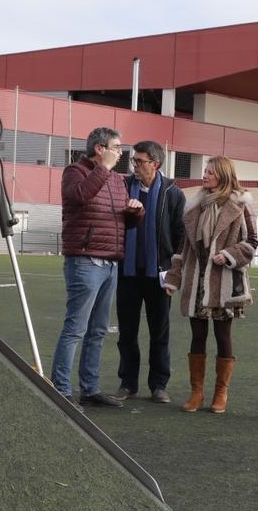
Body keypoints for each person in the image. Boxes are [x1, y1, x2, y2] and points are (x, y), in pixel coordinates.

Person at [51, 127, 144, 409]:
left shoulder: (117, 179)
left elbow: (120, 222)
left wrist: (135, 212)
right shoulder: (74, 171)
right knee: (76, 328)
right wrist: (102, 169)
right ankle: (61, 390)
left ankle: (89, 389)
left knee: (98, 330)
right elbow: (79, 197)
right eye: (116, 147)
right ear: (100, 149)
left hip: (110, 262)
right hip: (85, 260)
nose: (121, 152)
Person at [162, 156, 258, 414]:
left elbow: (252, 242)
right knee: (197, 335)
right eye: (205, 171)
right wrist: (173, 278)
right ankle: (197, 392)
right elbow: (183, 248)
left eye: (211, 172)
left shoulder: (240, 203)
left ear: (224, 176)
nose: (205, 176)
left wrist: (228, 255)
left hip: (224, 281)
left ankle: (220, 393)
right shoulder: (195, 205)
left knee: (223, 335)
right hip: (196, 280)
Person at [114, 141, 185, 404]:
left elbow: (181, 238)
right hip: (128, 273)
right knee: (127, 332)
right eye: (134, 161)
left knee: (160, 332)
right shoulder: (122, 187)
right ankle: (127, 383)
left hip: (159, 275)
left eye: (140, 161)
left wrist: (174, 274)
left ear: (155, 163)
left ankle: (158, 385)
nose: (135, 166)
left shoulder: (173, 194)